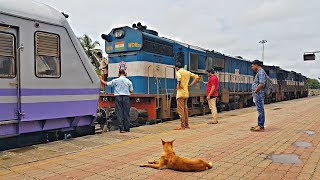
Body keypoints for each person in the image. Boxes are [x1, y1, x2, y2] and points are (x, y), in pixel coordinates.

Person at [174, 62, 199, 130]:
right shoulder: (187, 72)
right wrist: (190, 85)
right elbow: (196, 77)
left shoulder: (178, 72)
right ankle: (187, 125)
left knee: (181, 110)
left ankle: (182, 126)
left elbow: (179, 78)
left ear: (176, 67)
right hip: (186, 93)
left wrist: (178, 86)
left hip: (180, 94)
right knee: (185, 109)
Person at [251, 60, 267, 132]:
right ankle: (259, 124)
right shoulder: (259, 72)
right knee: (259, 109)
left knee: (260, 109)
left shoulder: (260, 72)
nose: (252, 67)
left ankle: (260, 126)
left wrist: (255, 91)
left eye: (252, 66)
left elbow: (261, 83)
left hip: (259, 94)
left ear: (256, 65)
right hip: (258, 93)